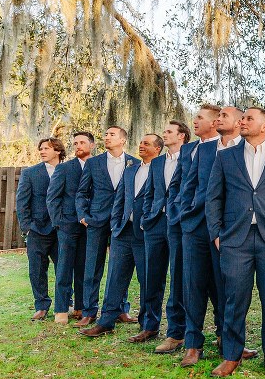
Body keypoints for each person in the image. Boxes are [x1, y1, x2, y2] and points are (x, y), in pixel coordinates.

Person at [206, 107, 265, 376]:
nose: (242, 121)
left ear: (264, 127)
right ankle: (232, 355)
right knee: (235, 298)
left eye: (248, 118)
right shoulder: (225, 157)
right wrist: (216, 233)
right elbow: (214, 197)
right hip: (235, 239)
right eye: (242, 117)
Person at [179, 106, 257, 367]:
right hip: (198, 229)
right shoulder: (203, 150)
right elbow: (188, 186)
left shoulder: (249, 149)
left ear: (237, 123)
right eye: (218, 115)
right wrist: (186, 217)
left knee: (229, 288)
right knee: (193, 286)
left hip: (231, 231)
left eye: (225, 116)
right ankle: (192, 343)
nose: (220, 119)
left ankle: (229, 339)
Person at [80, 135, 162, 338]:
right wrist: (116, 224)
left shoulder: (161, 169)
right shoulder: (130, 169)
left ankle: (148, 325)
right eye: (140, 142)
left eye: (147, 144)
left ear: (158, 149)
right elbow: (120, 199)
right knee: (114, 277)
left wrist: (150, 223)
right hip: (123, 232)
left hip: (147, 233)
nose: (141, 145)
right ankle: (106, 321)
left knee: (148, 280)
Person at [162, 105, 220, 354]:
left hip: (218, 227)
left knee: (221, 285)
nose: (194, 121)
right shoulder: (188, 150)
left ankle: (224, 336)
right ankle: (190, 340)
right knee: (187, 283)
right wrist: (178, 212)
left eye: (199, 117)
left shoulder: (227, 147)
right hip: (188, 227)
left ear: (215, 122)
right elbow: (177, 185)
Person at [75, 126, 137, 327]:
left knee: (121, 266)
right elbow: (82, 192)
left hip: (122, 222)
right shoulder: (94, 163)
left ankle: (120, 309)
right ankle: (89, 311)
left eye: (112, 135)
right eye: (106, 134)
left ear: (122, 140)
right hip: (96, 220)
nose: (107, 137)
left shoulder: (134, 163)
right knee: (92, 267)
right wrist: (83, 215)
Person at [141, 121, 191, 348]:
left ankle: (175, 332)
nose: (165, 135)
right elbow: (149, 192)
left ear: (182, 136)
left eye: (169, 132)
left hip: (180, 224)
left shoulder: (190, 156)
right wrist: (146, 217)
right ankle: (149, 326)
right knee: (152, 276)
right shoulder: (157, 162)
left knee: (177, 277)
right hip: (155, 224)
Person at [47, 132, 94, 324]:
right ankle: (61, 309)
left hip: (91, 225)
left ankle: (81, 307)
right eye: (75, 143)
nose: (78, 146)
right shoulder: (65, 168)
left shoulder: (99, 165)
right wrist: (59, 222)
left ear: (92, 144)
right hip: (67, 225)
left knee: (85, 267)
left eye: (82, 142)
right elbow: (52, 198)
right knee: (64, 267)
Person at [17, 137, 65, 321]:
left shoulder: (68, 170)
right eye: (41, 148)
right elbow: (22, 202)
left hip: (62, 229)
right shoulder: (30, 173)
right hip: (37, 229)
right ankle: (41, 305)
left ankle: (65, 303)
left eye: (47, 148)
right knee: (36, 269)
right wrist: (27, 227)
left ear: (58, 151)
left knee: (64, 267)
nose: (42, 151)